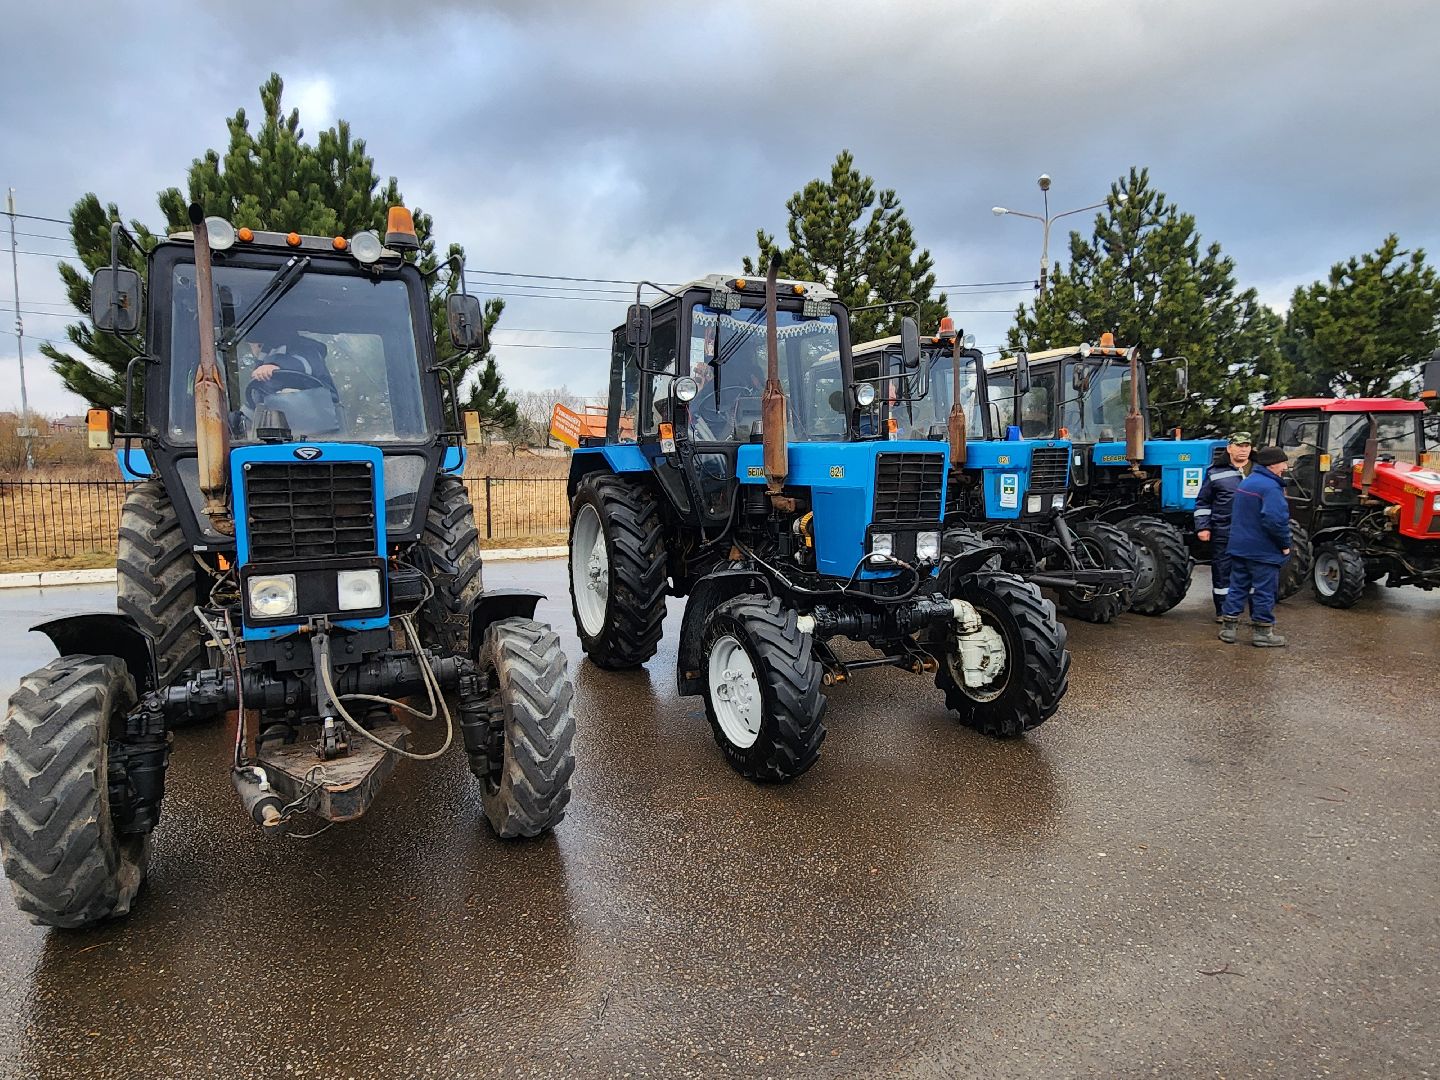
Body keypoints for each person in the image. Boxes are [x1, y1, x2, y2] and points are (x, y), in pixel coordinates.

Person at [1220, 445, 1292, 647]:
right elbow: (1275, 520)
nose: (1285, 467)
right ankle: (1263, 632)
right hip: (1262, 551)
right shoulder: (1270, 488)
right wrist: (1284, 544)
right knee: (1264, 590)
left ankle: (1228, 629)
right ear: (1272, 464)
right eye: (1283, 463)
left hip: (1239, 546)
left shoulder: (1248, 482)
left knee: (1237, 587)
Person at [1194, 431, 1253, 621]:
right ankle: (1224, 612)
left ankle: (1256, 613)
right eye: (1239, 446)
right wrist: (1203, 527)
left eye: (1247, 446)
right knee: (1223, 571)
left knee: (1254, 572)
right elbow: (1203, 503)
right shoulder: (1215, 473)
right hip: (1224, 530)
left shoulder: (1260, 471)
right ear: (1229, 448)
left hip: (1253, 533)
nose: (1243, 450)